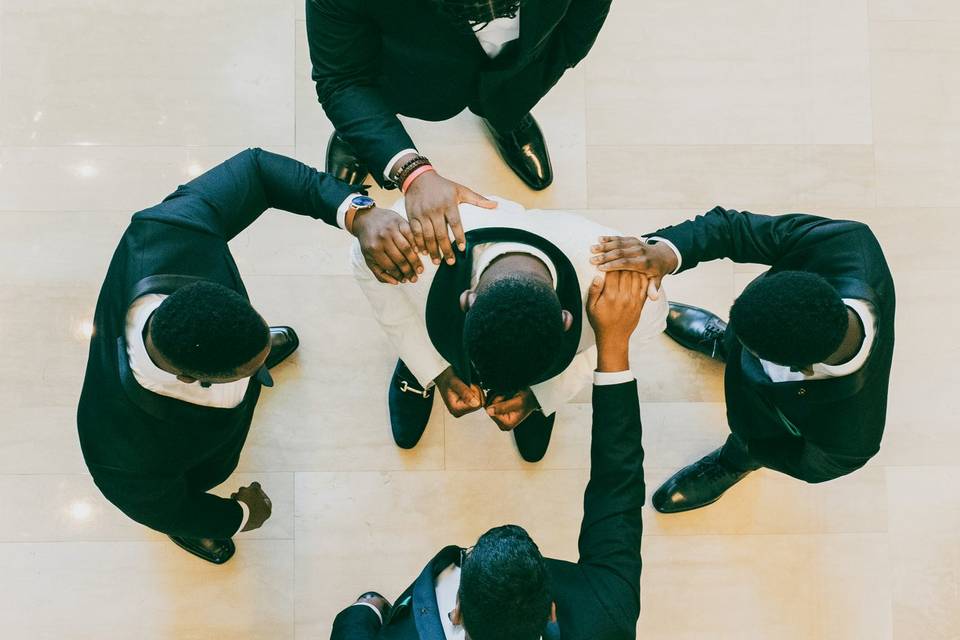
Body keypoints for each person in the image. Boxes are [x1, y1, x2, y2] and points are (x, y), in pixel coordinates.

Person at [77, 148, 421, 564]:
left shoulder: (171, 230)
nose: (261, 371)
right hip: (193, 463)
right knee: (181, 511)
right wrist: (237, 516)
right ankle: (190, 536)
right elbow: (161, 506)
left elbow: (256, 171)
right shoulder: (119, 449)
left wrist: (358, 213)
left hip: (211, 352)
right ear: (192, 378)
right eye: (250, 368)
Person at [331, 270, 649, 640]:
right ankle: (535, 382)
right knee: (533, 382)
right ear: (551, 609)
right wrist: (613, 349)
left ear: (457, 611)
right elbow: (617, 488)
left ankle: (430, 365)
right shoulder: (604, 615)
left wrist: (365, 610)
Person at [591, 207, 895, 512]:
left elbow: (812, 465)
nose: (743, 344)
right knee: (737, 341)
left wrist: (755, 446)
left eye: (749, 347)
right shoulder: (846, 242)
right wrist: (667, 254)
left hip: (758, 422)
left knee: (745, 447)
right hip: (783, 337)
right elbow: (732, 229)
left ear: (798, 369)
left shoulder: (853, 434)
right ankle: (721, 342)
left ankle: (732, 463)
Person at [351, 196, 668, 462]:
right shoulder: (413, 242)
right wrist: (435, 369)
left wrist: (541, 394)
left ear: (567, 320)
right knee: (414, 315)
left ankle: (535, 392)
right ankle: (415, 369)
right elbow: (364, 263)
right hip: (443, 279)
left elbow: (623, 339)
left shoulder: (625, 284)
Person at [307, 0, 614, 266]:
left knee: (508, 100)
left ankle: (505, 116)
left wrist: (567, 50)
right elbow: (343, 78)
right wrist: (411, 171)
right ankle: (360, 142)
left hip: (523, 62)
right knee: (367, 114)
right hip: (407, 69)